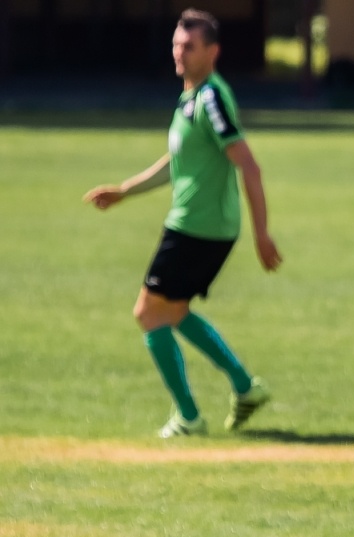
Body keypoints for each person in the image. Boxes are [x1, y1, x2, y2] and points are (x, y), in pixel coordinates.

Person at [83, 9, 277, 438]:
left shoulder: (210, 98)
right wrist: (124, 190)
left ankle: (188, 417)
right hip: (197, 226)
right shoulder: (191, 98)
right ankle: (246, 388)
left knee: (148, 313)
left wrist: (262, 234)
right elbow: (178, 163)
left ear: (213, 51)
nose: (179, 52)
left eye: (189, 46)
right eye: (176, 43)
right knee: (172, 310)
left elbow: (249, 165)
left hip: (198, 228)